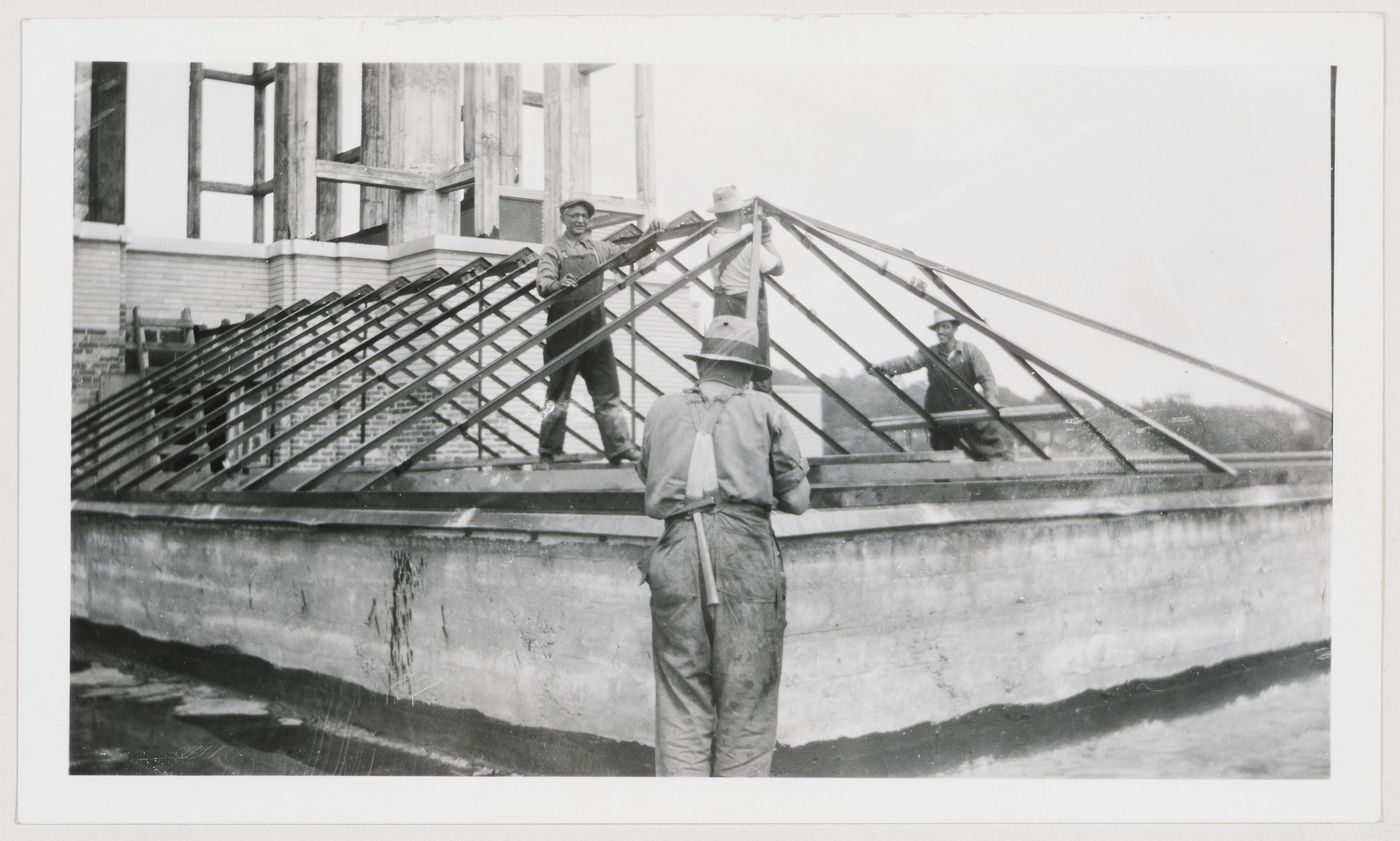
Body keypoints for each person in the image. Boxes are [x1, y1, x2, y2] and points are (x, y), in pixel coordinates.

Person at [636, 315, 810, 776]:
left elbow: (646, 475)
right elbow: (797, 500)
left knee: (680, 693)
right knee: (747, 697)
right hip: (744, 554)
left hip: (674, 551)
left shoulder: (660, 409)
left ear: (704, 364)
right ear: (747, 370)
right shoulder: (765, 409)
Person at [534, 196, 645, 464]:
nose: (580, 221)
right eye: (574, 216)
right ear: (563, 218)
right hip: (564, 327)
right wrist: (558, 284)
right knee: (558, 392)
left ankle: (619, 447)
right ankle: (549, 451)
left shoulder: (599, 248)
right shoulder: (553, 250)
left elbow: (630, 253)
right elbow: (543, 282)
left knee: (606, 388)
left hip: (596, 326)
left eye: (584, 216)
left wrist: (653, 233)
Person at [868, 309, 1012, 460]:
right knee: (940, 457)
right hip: (941, 413)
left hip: (969, 411)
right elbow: (908, 362)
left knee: (994, 453)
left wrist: (991, 400)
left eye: (945, 327)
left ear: (955, 328)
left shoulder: (970, 351)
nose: (940, 331)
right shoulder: (930, 353)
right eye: (938, 328)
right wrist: (883, 367)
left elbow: (987, 378)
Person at [705, 185, 783, 393]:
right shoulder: (750, 247)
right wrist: (766, 237)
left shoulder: (712, 243)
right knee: (758, 367)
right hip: (749, 312)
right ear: (739, 213)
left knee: (726, 369)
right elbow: (779, 268)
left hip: (723, 311)